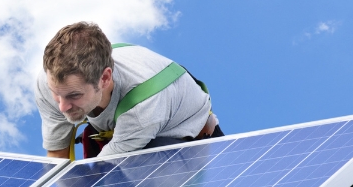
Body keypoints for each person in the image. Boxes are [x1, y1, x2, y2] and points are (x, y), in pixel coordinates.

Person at [37, 22, 222, 159]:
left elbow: (101, 176)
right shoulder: (50, 82)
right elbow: (57, 155)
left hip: (183, 140)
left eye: (74, 95)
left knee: (138, 177)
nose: (62, 106)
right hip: (125, 127)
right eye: (56, 93)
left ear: (105, 78)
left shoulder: (142, 109)